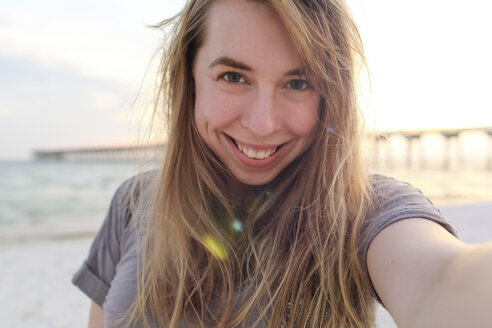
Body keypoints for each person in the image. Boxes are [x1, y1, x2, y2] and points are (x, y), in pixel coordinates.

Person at [72, 0, 492, 327]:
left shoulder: (365, 211)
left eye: (298, 83)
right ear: (190, 79)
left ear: (332, 96)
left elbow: (442, 281)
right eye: (233, 77)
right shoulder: (134, 202)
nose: (262, 123)